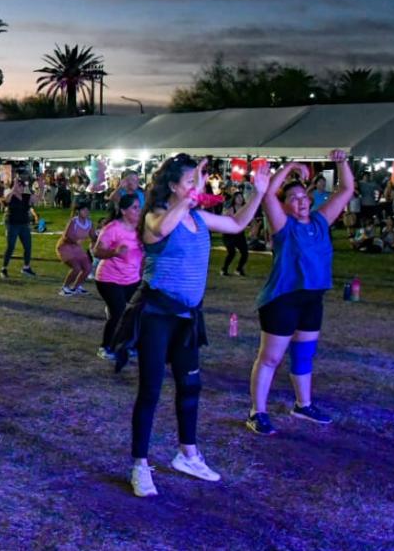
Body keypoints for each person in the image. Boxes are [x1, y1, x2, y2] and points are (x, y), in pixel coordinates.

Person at [112, 154, 270, 498]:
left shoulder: (198, 217)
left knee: (190, 387)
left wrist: (259, 193)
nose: (197, 187)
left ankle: (188, 454)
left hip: (187, 318)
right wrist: (187, 198)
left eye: (197, 182)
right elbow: (164, 229)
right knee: (150, 391)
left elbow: (237, 224)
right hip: (156, 315)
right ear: (172, 186)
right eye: (189, 182)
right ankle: (140, 464)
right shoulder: (154, 218)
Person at [246, 151, 353, 436]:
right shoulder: (283, 226)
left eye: (303, 196)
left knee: (304, 355)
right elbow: (267, 194)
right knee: (270, 358)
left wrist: (341, 163)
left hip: (311, 299)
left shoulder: (320, 222)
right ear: (284, 205)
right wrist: (290, 166)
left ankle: (303, 405)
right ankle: (258, 412)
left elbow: (347, 189)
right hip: (282, 300)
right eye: (293, 198)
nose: (301, 201)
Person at [94, 194, 143, 360]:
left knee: (134, 313)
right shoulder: (113, 228)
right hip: (109, 278)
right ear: (123, 211)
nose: (139, 210)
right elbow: (97, 251)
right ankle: (105, 347)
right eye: (135, 207)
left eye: (139, 207)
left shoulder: (142, 228)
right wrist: (114, 252)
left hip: (132, 278)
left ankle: (128, 345)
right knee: (119, 312)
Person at [0, 178, 38, 278]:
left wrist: (41, 186)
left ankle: (26, 267)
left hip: (24, 224)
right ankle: (4, 268)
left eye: (22, 186)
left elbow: (38, 199)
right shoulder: (11, 195)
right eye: (19, 185)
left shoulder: (26, 196)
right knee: (11, 247)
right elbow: (6, 200)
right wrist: (14, 188)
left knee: (28, 246)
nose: (21, 187)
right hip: (12, 224)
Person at [57, 202, 95, 295]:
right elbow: (66, 236)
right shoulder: (73, 221)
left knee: (88, 268)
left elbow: (93, 236)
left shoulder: (89, 223)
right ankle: (64, 288)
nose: (86, 211)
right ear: (78, 211)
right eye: (84, 210)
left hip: (76, 248)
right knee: (76, 268)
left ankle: (77, 287)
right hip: (65, 247)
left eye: (87, 209)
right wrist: (75, 241)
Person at [220, 191, 250, 276]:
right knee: (232, 252)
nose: (240, 199)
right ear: (234, 199)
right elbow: (223, 219)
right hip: (229, 234)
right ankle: (224, 269)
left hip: (239, 234)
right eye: (238, 197)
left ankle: (239, 269)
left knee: (245, 253)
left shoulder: (245, 208)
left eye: (241, 197)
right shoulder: (230, 209)